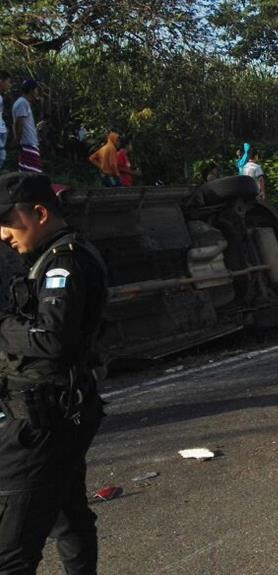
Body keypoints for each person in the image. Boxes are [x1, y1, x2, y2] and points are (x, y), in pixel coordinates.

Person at [0, 172, 108, 574]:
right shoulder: (50, 258)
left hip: (43, 419)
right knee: (67, 516)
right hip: (59, 410)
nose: (3, 234)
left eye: (8, 221)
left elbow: (51, 338)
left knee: (9, 550)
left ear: (40, 213)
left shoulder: (66, 262)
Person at [11, 80, 42, 174]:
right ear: (31, 90)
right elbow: (18, 123)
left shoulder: (24, 103)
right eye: (36, 90)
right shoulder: (22, 103)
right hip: (28, 143)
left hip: (29, 143)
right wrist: (17, 140)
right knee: (33, 174)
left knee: (28, 174)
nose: (37, 92)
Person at [0, 71, 10, 171]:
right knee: (1, 156)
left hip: (2, 131)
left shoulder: (0, 97)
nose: (9, 84)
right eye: (8, 81)